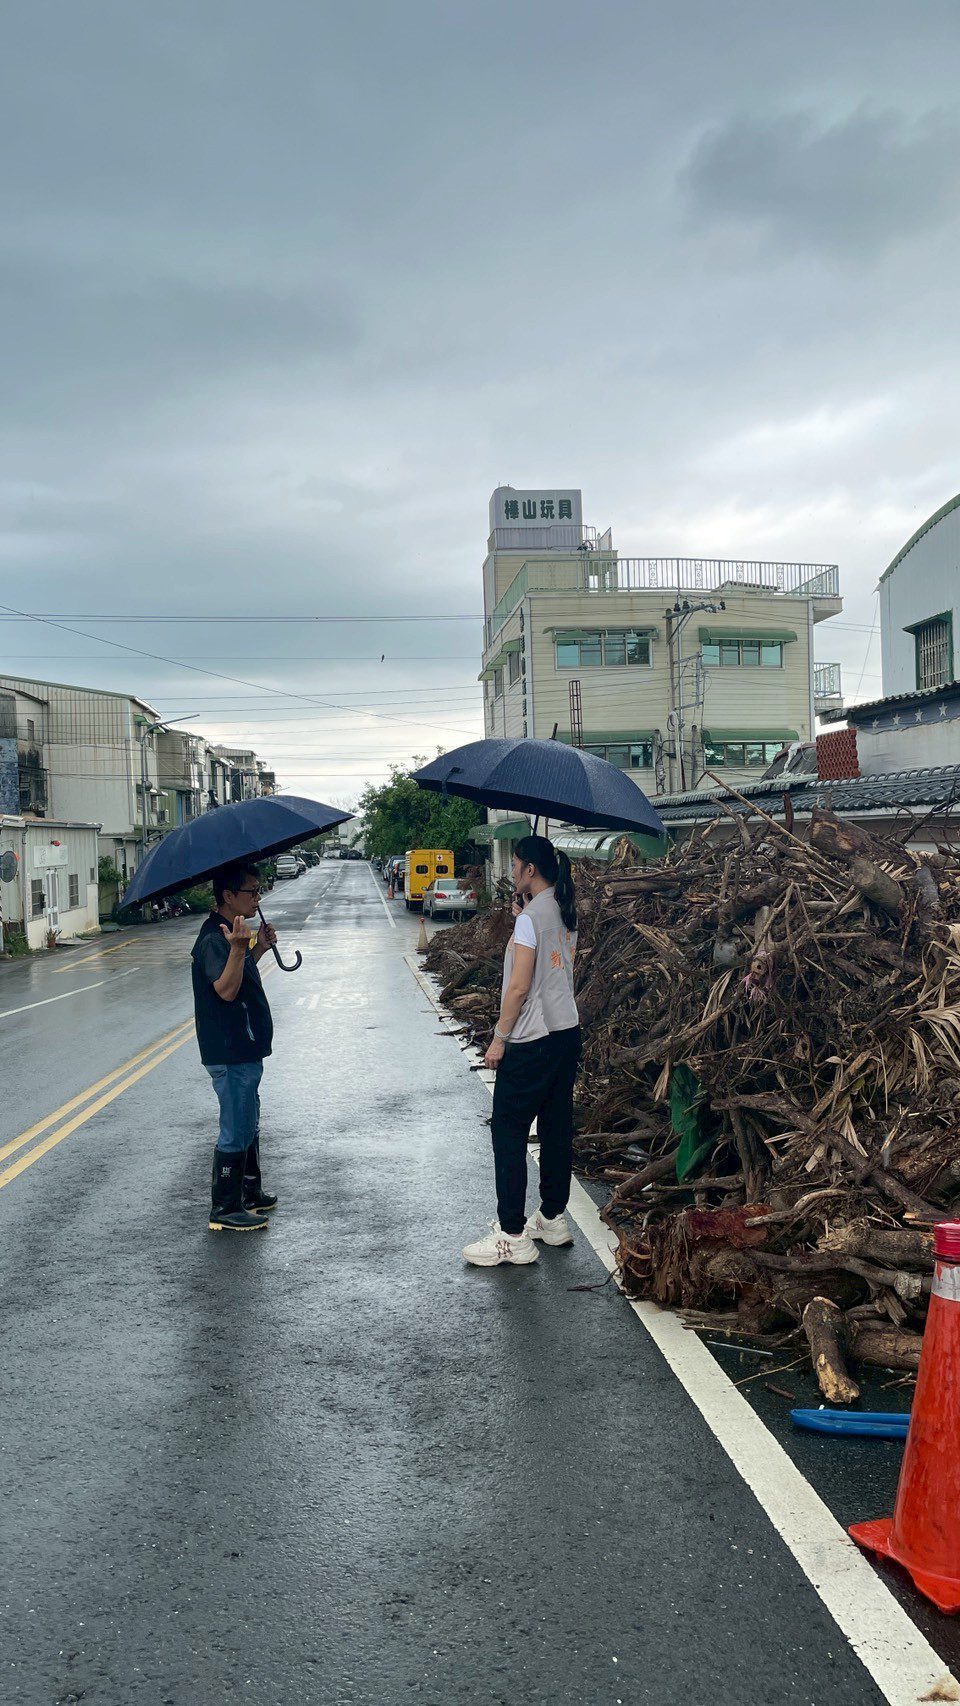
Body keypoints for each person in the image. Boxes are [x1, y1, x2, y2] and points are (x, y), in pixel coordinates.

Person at [463, 834, 581, 1268]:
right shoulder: (563, 909)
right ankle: (552, 1217)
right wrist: (522, 918)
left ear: (530, 869)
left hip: (531, 1038)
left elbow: (518, 986)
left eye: (515, 866)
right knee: (555, 1128)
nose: (513, 872)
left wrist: (498, 1038)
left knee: (508, 1131)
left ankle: (512, 1234)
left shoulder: (532, 917)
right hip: (566, 1032)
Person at [191, 862, 279, 1233]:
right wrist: (241, 949)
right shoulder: (214, 938)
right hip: (230, 1050)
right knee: (236, 1125)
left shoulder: (232, 932)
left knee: (250, 1120)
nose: (257, 897)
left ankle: (248, 1191)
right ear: (228, 896)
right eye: (252, 891)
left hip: (246, 1046)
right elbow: (225, 990)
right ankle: (225, 1207)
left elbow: (239, 977)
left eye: (259, 890)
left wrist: (256, 948)